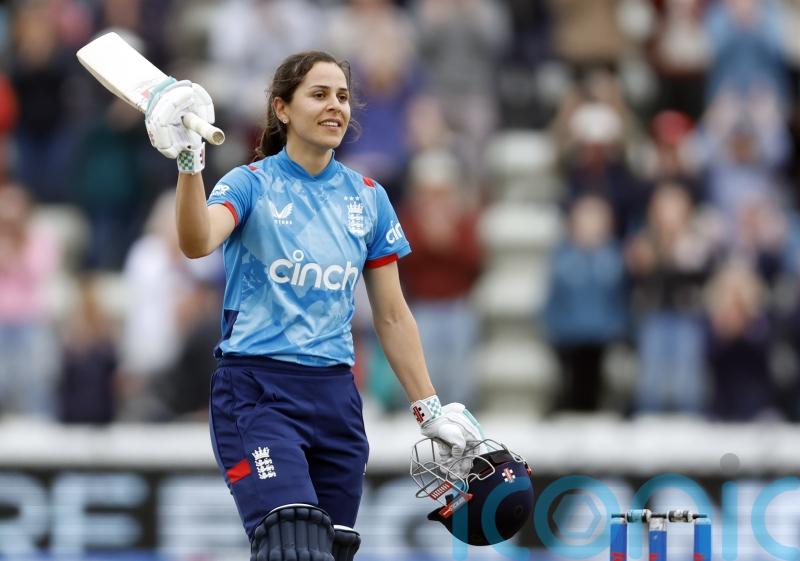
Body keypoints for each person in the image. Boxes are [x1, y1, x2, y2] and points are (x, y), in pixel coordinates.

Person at [143, 51, 484, 561]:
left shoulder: (368, 198)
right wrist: (190, 162)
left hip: (336, 399)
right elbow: (196, 242)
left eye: (343, 97)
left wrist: (430, 410)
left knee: (328, 552)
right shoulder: (249, 183)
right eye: (320, 95)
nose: (336, 107)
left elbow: (392, 314)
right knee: (293, 547)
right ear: (282, 109)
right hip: (257, 394)